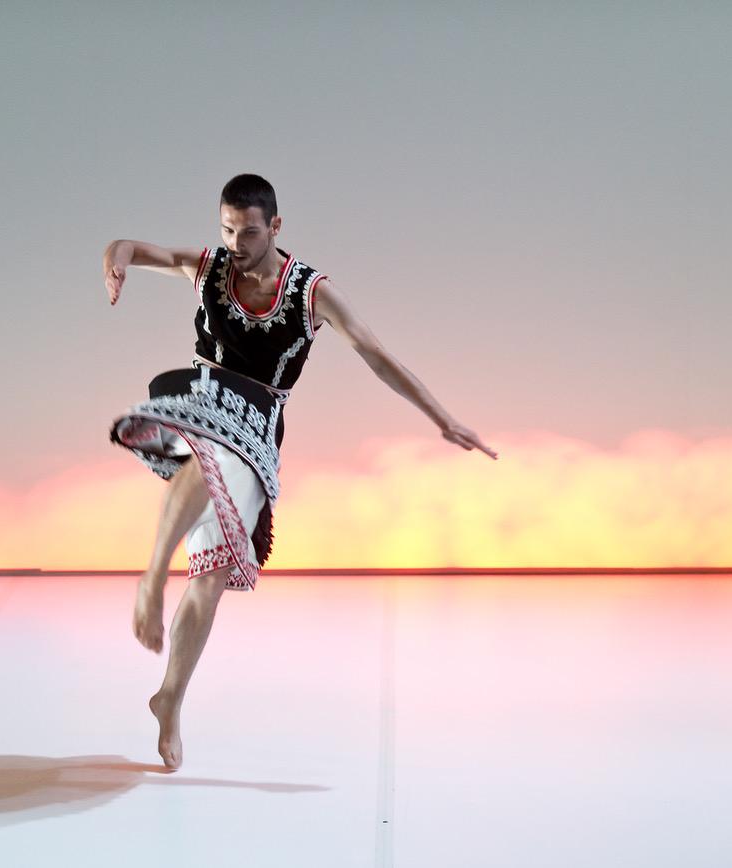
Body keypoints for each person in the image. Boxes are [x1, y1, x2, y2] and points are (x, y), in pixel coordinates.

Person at [102, 174, 497, 769]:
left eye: (250, 231)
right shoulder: (207, 267)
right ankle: (151, 578)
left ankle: (169, 700)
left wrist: (441, 418)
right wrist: (117, 264)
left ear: (277, 227)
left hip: (258, 419)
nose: (237, 242)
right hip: (199, 398)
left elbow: (376, 354)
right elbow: (127, 245)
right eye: (228, 229)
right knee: (208, 455)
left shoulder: (309, 292)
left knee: (209, 576)